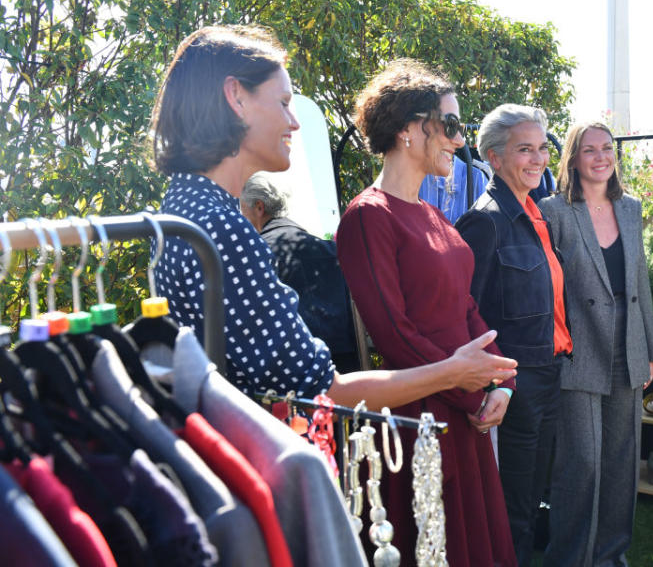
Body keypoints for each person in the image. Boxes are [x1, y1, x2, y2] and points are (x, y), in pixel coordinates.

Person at [150, 25, 517, 408]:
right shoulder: (223, 228)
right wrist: (456, 375)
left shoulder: (189, 208)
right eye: (284, 102)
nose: (294, 121)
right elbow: (321, 388)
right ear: (236, 98)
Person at [335, 59, 517, 567]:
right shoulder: (368, 216)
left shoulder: (434, 214)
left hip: (464, 410)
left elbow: (467, 308)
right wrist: (468, 388)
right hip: (421, 421)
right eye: (452, 125)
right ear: (409, 130)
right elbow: (395, 335)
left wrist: (501, 381)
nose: (459, 141)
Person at [455, 104, 572, 567]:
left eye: (542, 148)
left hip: (550, 372)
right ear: (493, 157)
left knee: (530, 501)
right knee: (512, 509)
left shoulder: (534, 214)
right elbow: (466, 313)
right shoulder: (485, 221)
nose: (538, 158)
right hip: (515, 384)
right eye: (525, 149)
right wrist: (495, 383)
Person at [539, 121, 653, 567]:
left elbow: (639, 282)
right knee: (582, 466)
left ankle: (611, 557)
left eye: (607, 148)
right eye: (589, 150)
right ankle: (569, 559)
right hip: (579, 352)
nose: (601, 157)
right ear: (573, 158)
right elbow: (548, 287)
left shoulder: (629, 207)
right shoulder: (554, 211)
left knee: (621, 463)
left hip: (626, 351)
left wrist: (649, 347)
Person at [239, 173, 360, 372]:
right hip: (348, 367)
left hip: (296, 374)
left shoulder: (259, 256)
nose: (242, 220)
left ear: (259, 207)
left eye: (243, 212)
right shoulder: (329, 249)